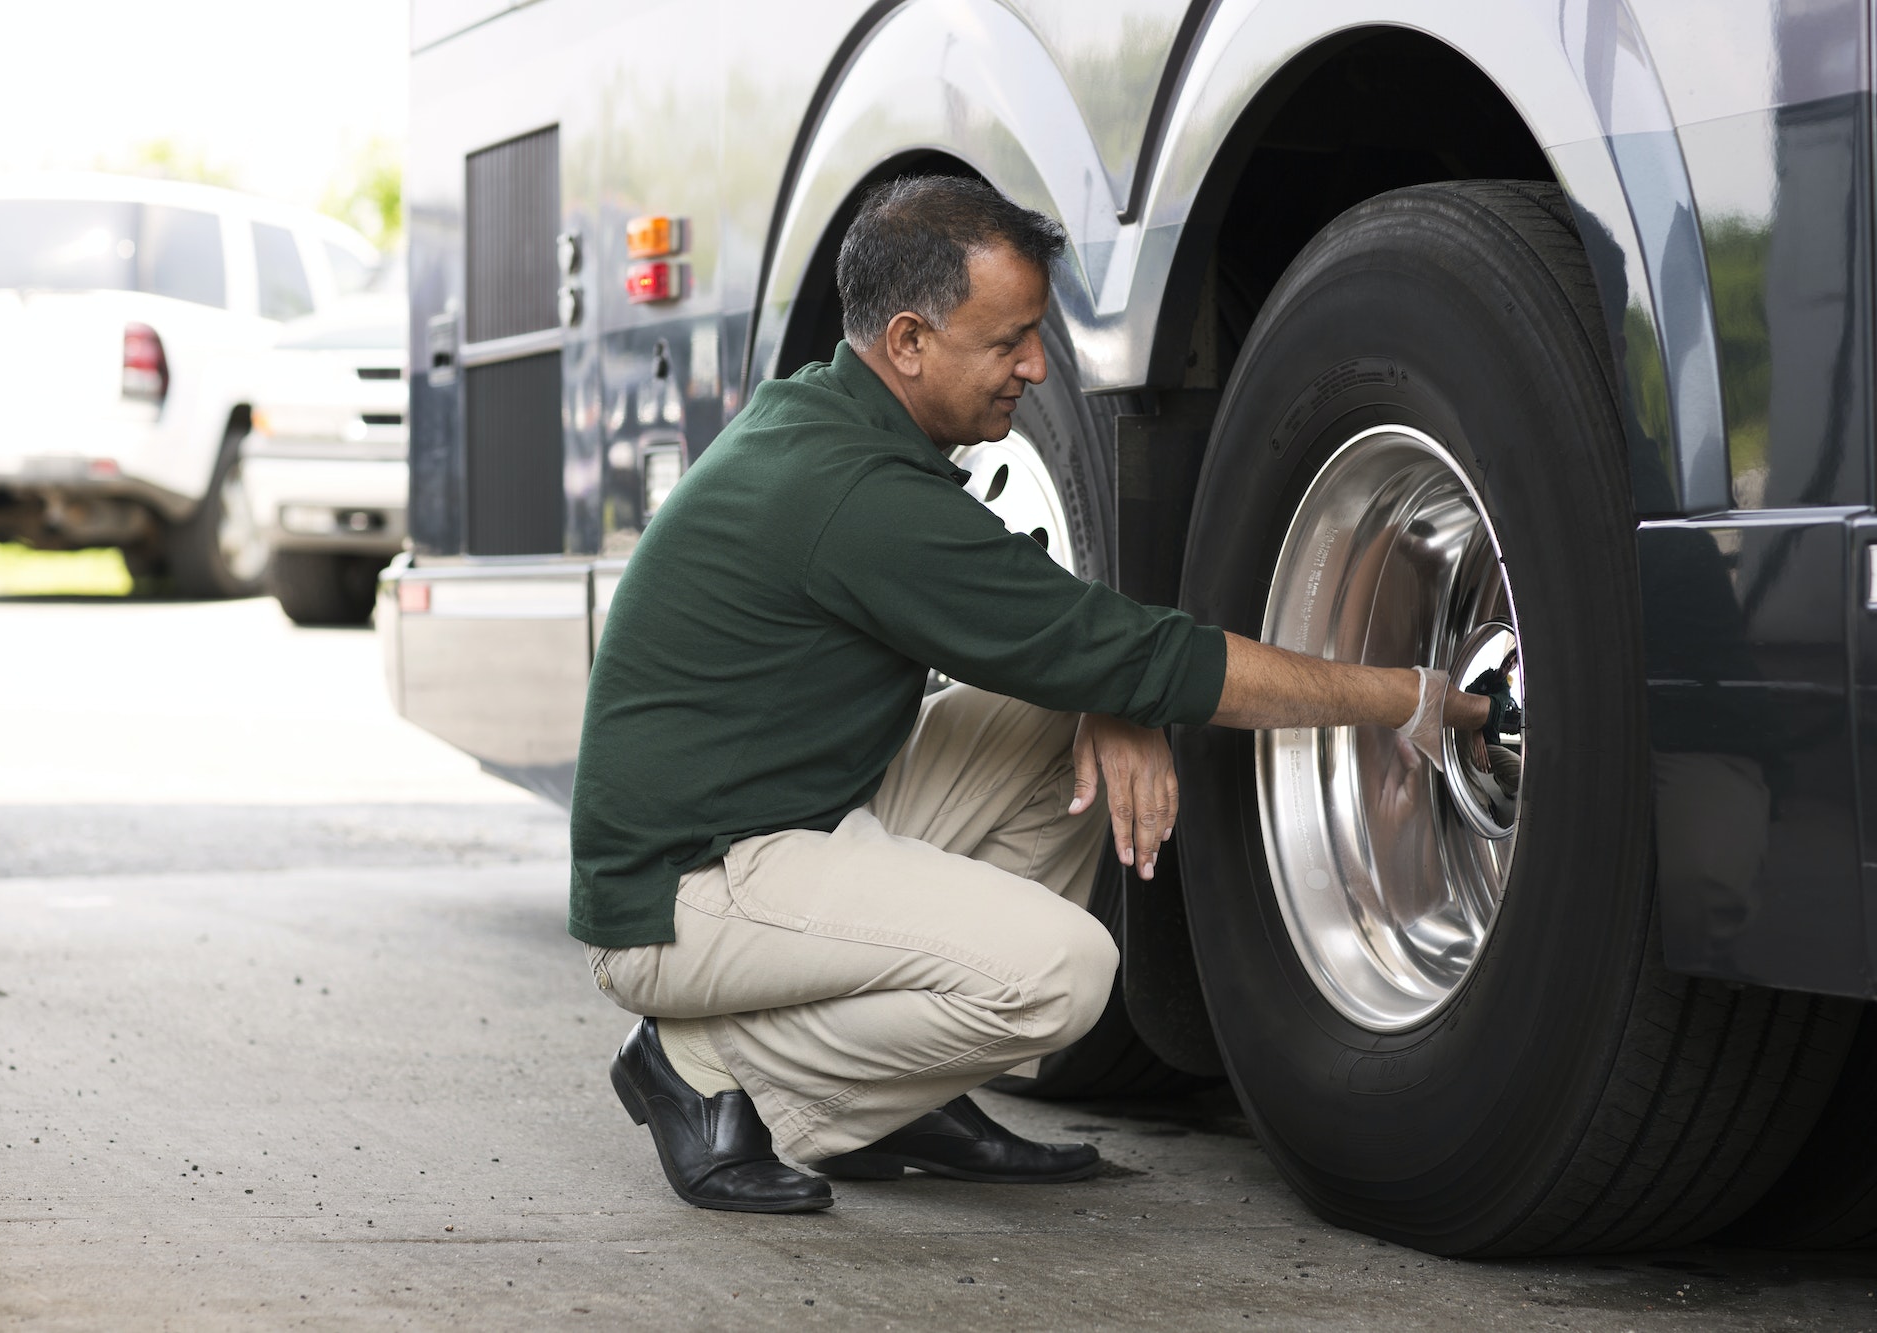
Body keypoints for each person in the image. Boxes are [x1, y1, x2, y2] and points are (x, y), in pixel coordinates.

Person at [570, 175, 1497, 1214]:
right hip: (681, 898)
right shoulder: (856, 495)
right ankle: (695, 1075)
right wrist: (1405, 697)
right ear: (910, 340)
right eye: (1008, 339)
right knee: (1061, 974)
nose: (1036, 365)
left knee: (1068, 723)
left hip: (778, 824)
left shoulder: (832, 421)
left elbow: (1084, 642)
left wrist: (1110, 693)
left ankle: (897, 1093)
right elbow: (1150, 652)